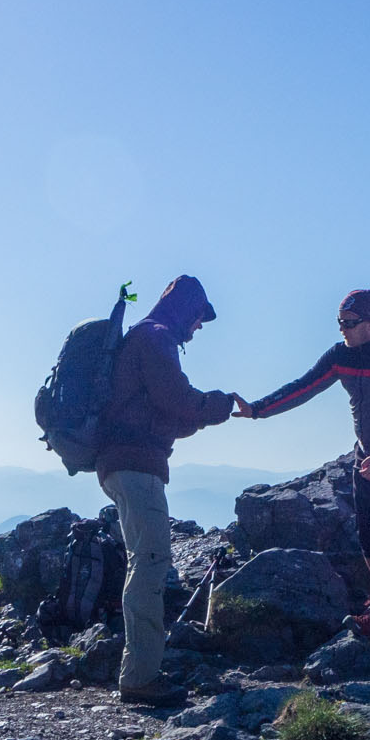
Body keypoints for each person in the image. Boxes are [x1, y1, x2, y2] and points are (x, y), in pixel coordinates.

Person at [236, 289, 370, 638]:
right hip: (364, 452)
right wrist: (258, 409)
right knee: (365, 530)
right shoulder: (341, 356)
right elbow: (304, 386)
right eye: (339, 322)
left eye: (349, 323)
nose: (342, 329)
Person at [95, 274, 237, 706]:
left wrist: (201, 413)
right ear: (188, 310)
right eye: (199, 319)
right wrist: (222, 403)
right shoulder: (157, 340)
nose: (199, 328)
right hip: (135, 465)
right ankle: (140, 678)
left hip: (124, 462)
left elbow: (168, 413)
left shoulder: (143, 338)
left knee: (146, 560)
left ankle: (140, 670)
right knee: (152, 561)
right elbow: (179, 401)